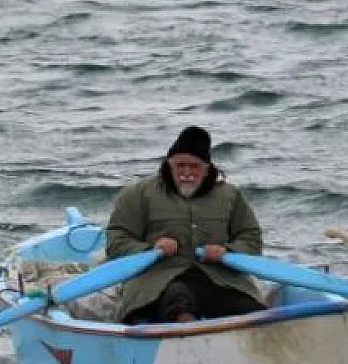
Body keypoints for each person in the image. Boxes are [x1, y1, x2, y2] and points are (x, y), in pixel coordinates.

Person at [106, 125, 267, 324]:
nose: (186, 172)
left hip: (219, 280)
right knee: (178, 300)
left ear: (207, 168)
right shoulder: (137, 194)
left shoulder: (230, 196)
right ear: (169, 165)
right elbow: (116, 241)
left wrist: (226, 251)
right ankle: (186, 332)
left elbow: (251, 239)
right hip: (156, 281)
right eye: (180, 165)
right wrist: (151, 248)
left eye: (194, 166)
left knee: (250, 310)